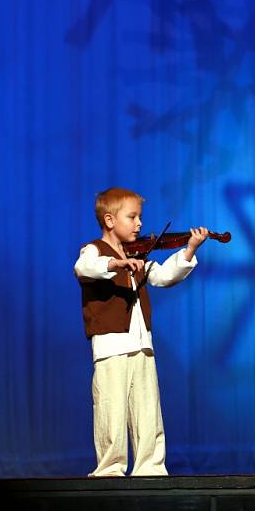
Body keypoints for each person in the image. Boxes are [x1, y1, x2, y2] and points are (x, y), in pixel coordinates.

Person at [74, 187, 208, 477]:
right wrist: (116, 263)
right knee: (112, 411)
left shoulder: (138, 255)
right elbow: (85, 268)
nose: (139, 224)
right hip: (111, 347)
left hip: (142, 345)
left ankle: (151, 469)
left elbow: (161, 276)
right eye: (132, 217)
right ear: (110, 220)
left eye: (140, 217)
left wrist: (190, 249)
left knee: (148, 412)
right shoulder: (95, 250)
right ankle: (110, 470)